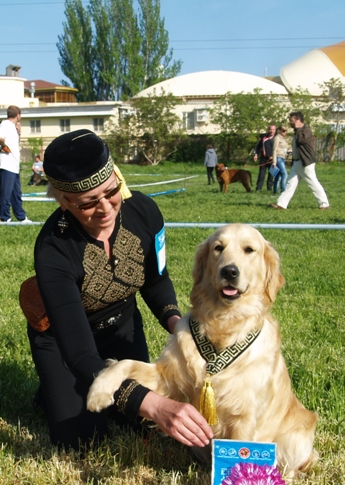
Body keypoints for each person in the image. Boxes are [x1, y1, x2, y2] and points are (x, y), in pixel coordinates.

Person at [26, 129, 213, 451]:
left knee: (136, 422)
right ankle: (54, 387)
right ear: (63, 201)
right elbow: (79, 353)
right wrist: (156, 405)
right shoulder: (52, 248)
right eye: (87, 203)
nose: (105, 208)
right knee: (83, 440)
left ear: (117, 177)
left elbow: (156, 280)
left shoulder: (145, 212)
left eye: (111, 191)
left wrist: (180, 327)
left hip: (122, 329)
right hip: (67, 346)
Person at [271, 112, 330, 210]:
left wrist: (297, 128)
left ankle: (324, 204)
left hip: (305, 163)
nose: (290, 123)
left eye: (291, 121)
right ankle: (281, 205)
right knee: (290, 184)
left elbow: (300, 140)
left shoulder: (306, 131)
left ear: (297, 120)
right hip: (297, 163)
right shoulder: (297, 131)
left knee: (313, 183)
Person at [0, 105, 32, 223]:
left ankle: (21, 217)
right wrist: (3, 146)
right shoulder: (5, 125)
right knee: (5, 194)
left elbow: (14, 143)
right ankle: (4, 217)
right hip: (6, 165)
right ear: (18, 115)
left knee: (16, 194)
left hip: (13, 165)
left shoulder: (13, 127)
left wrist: (19, 132)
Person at [253, 123, 276, 191]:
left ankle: (269, 189)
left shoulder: (277, 138)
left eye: (273, 129)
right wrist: (256, 154)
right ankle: (258, 188)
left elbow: (279, 149)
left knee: (271, 175)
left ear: (275, 130)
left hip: (273, 160)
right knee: (261, 175)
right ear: (268, 130)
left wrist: (274, 156)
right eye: (270, 129)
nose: (272, 131)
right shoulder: (264, 138)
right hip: (264, 159)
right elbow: (258, 146)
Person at [271, 125, 289, 194]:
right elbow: (274, 149)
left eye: (286, 131)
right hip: (278, 157)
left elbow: (285, 148)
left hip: (282, 157)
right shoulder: (277, 138)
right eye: (283, 131)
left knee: (278, 176)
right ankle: (283, 189)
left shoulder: (283, 138)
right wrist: (274, 161)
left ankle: (275, 191)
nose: (285, 132)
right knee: (284, 174)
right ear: (280, 130)